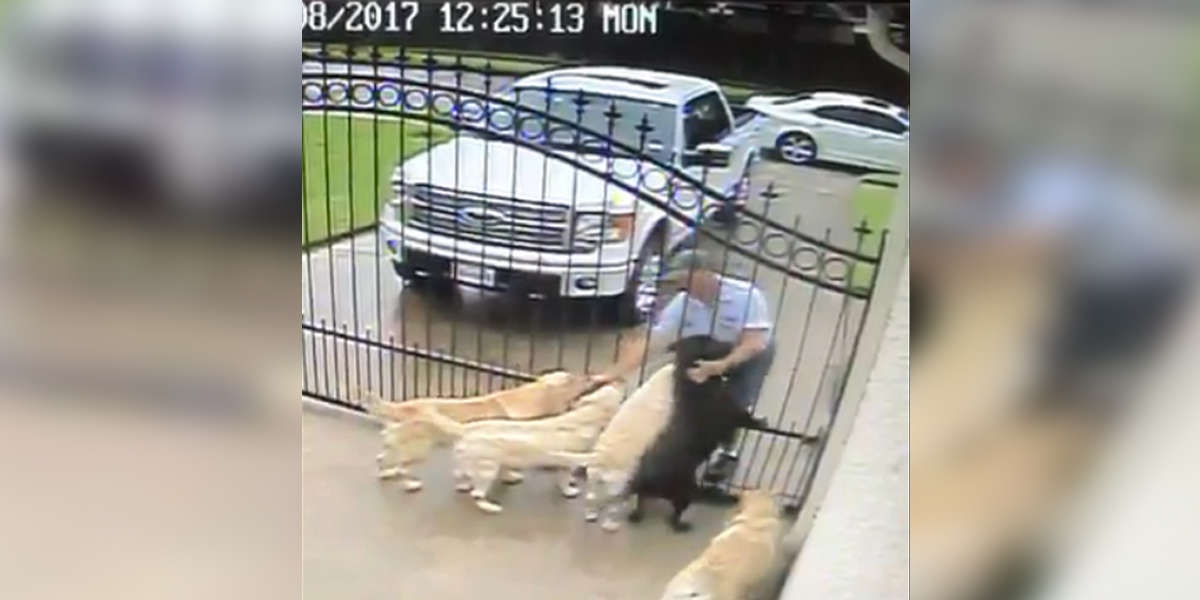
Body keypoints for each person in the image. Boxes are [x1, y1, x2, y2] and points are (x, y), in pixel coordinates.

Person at [593, 248, 775, 482]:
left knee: (735, 401)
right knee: (689, 399)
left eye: (684, 277)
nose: (681, 285)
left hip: (748, 352)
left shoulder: (747, 295)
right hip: (707, 349)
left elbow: (754, 342)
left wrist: (722, 366)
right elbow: (652, 341)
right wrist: (612, 373)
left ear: (704, 274)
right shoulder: (683, 303)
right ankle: (683, 456)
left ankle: (727, 454)